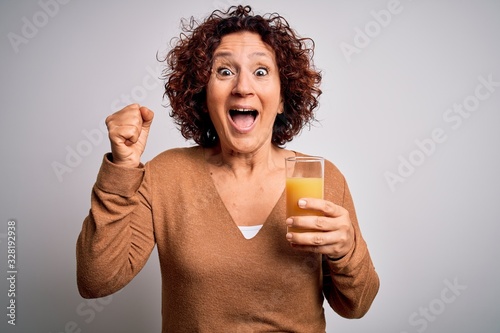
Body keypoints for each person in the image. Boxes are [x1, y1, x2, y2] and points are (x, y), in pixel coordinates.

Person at [76, 5, 379, 332]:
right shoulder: (167, 175)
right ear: (204, 95)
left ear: (281, 98)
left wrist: (347, 252)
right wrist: (122, 168)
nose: (242, 87)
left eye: (261, 71)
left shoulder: (320, 179)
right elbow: (97, 281)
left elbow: (356, 306)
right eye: (224, 71)